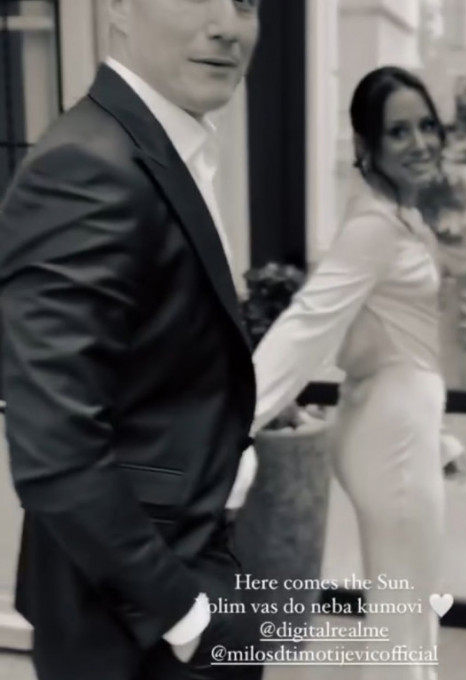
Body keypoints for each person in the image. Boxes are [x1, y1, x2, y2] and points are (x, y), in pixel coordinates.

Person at [0, 1, 263, 678]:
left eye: (246, 0)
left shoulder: (165, 145)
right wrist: (186, 617)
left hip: (189, 560)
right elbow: (54, 448)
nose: (227, 24)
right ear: (117, 5)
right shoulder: (85, 167)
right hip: (133, 622)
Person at [250, 66, 462, 680]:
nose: (420, 142)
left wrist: (438, 437)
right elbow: (307, 323)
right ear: (366, 145)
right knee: (403, 623)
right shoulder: (374, 226)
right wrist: (235, 417)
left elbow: (392, 339)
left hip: (401, 430)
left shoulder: (399, 216)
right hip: (392, 441)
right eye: (399, 131)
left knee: (409, 612)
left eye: (427, 125)